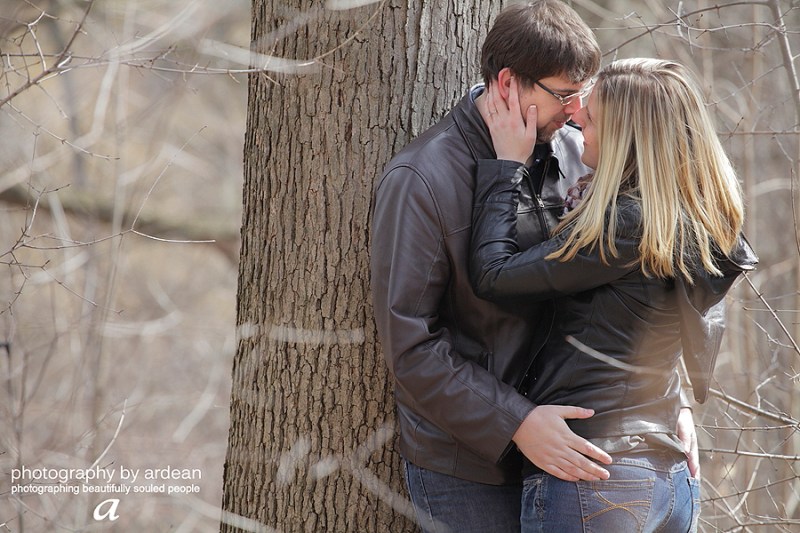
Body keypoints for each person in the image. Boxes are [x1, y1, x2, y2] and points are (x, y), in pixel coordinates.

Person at [372, 2, 698, 531]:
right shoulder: (422, 179)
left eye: (582, 95)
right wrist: (516, 422)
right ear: (508, 83)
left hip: (578, 453)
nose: (577, 112)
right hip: (472, 467)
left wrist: (669, 405)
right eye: (564, 95)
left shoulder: (580, 152)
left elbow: (641, 284)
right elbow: (411, 347)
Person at [470, 58, 758, 532]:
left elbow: (494, 275)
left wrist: (505, 168)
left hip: (597, 476)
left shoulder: (623, 225)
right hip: (667, 478)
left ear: (628, 135)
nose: (577, 116)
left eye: (594, 114)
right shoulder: (695, 218)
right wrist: (678, 406)